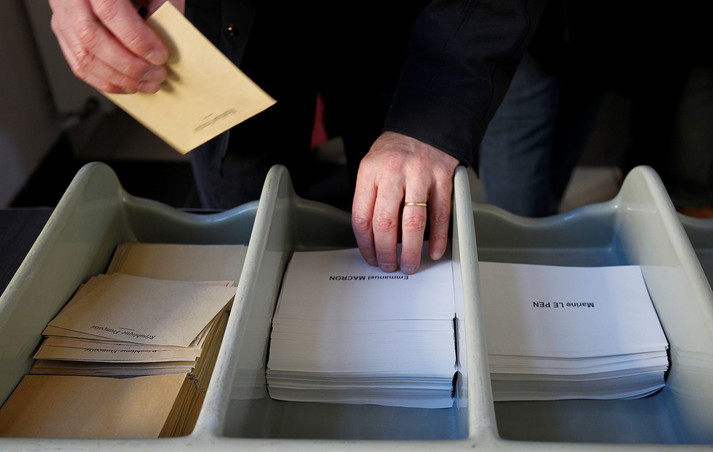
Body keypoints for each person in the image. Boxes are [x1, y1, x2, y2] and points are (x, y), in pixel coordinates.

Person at [48, 0, 546, 274]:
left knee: (404, 230)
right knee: (242, 239)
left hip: (406, 25)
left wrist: (432, 117)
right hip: (226, 27)